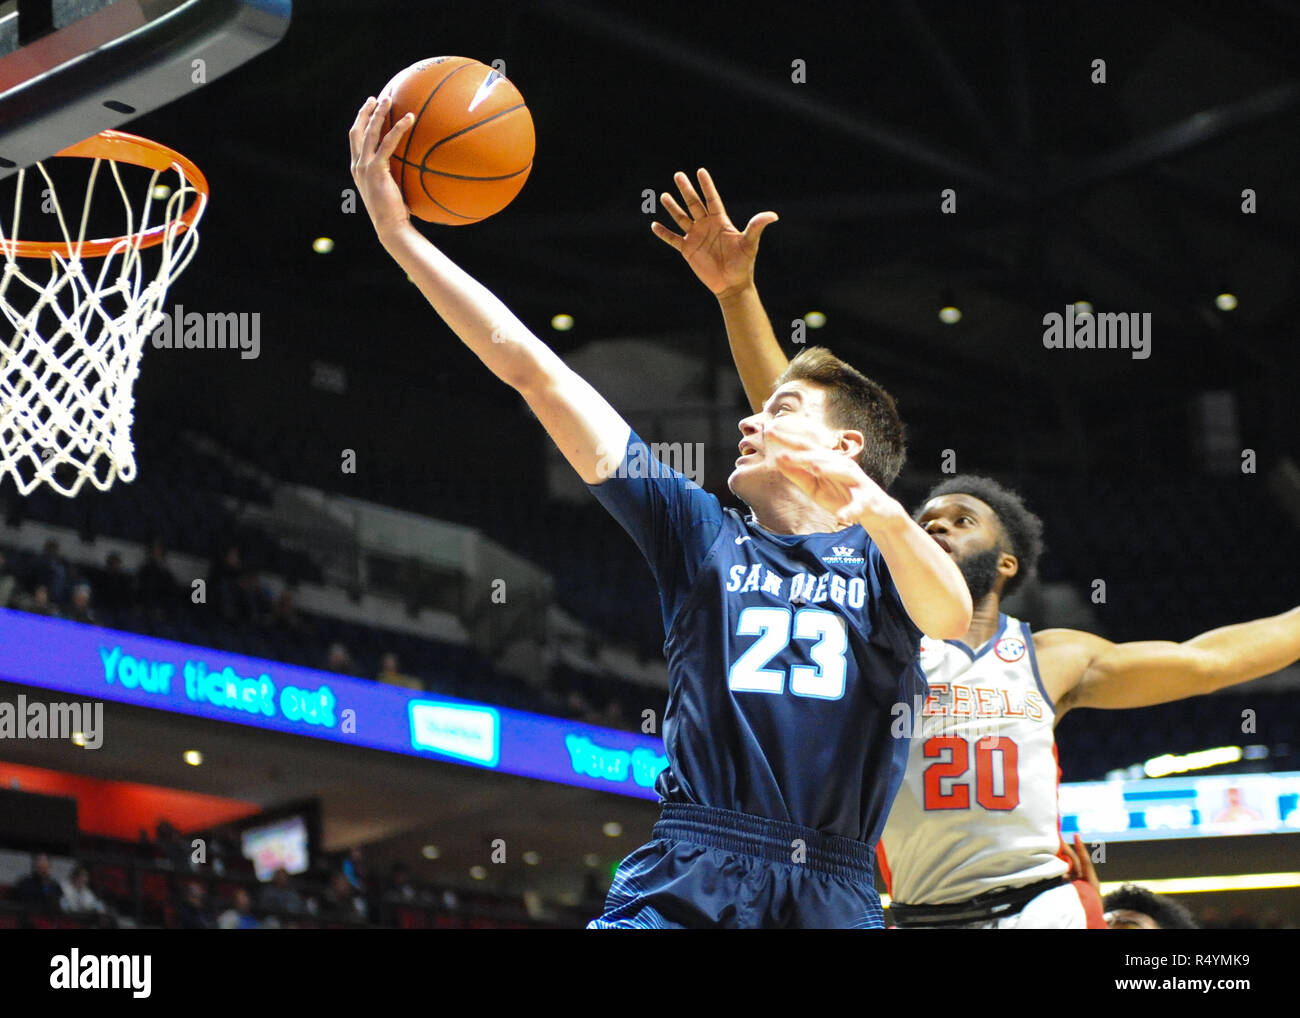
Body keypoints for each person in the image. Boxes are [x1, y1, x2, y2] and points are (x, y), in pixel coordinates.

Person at [351, 98, 971, 929]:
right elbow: (536, 373)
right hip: (691, 866)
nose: (750, 419)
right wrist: (404, 240)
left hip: (833, 888)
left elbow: (952, 613)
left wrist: (875, 510)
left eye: (780, 410)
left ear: (850, 448)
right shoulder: (698, 532)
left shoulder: (883, 561)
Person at [662, 167, 1300, 928]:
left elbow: (1212, 660)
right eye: (928, 514)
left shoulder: (1054, 656)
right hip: (914, 912)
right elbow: (801, 431)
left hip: (1038, 905)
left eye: (962, 519)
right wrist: (737, 294)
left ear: (1006, 563)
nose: (934, 522)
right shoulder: (879, 623)